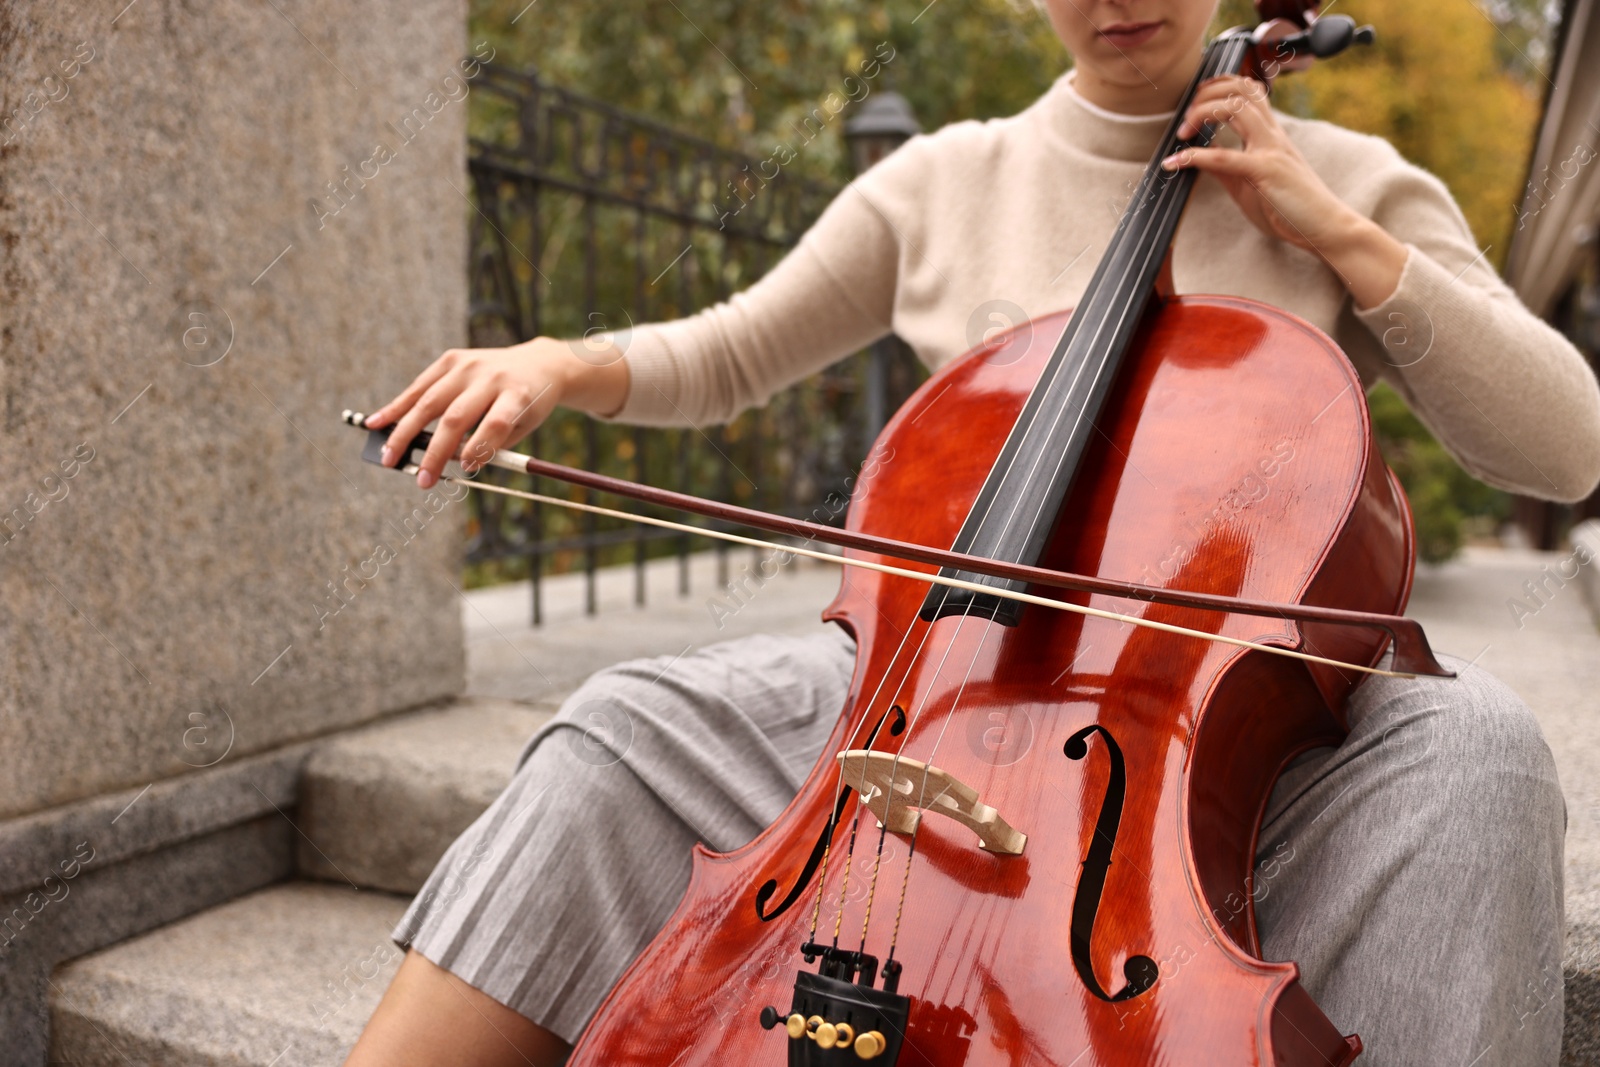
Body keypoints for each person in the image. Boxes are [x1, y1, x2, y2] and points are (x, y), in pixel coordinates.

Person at [348, 0, 1600, 1063]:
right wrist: (561, 363)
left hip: (1228, 708)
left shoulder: (1352, 179)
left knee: (1477, 747)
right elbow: (728, 349)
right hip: (928, 677)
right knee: (622, 724)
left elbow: (1565, 446)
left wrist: (1342, 236)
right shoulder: (941, 178)